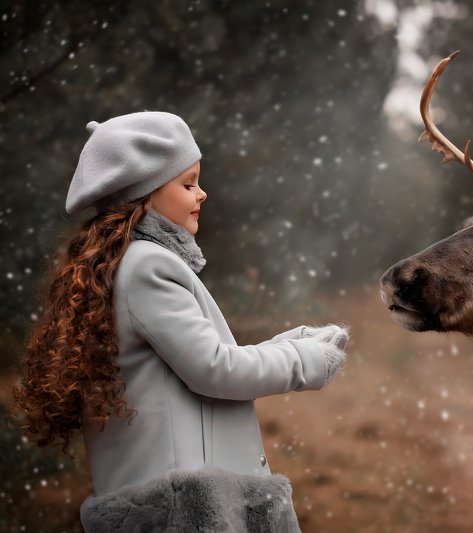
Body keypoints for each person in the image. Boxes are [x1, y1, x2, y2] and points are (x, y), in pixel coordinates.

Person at [13, 111, 348, 532]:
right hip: (189, 512)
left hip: (167, 503)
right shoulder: (149, 266)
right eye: (188, 183)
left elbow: (201, 358)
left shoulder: (124, 265)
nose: (202, 193)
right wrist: (307, 360)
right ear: (145, 196)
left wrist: (291, 341)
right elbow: (216, 370)